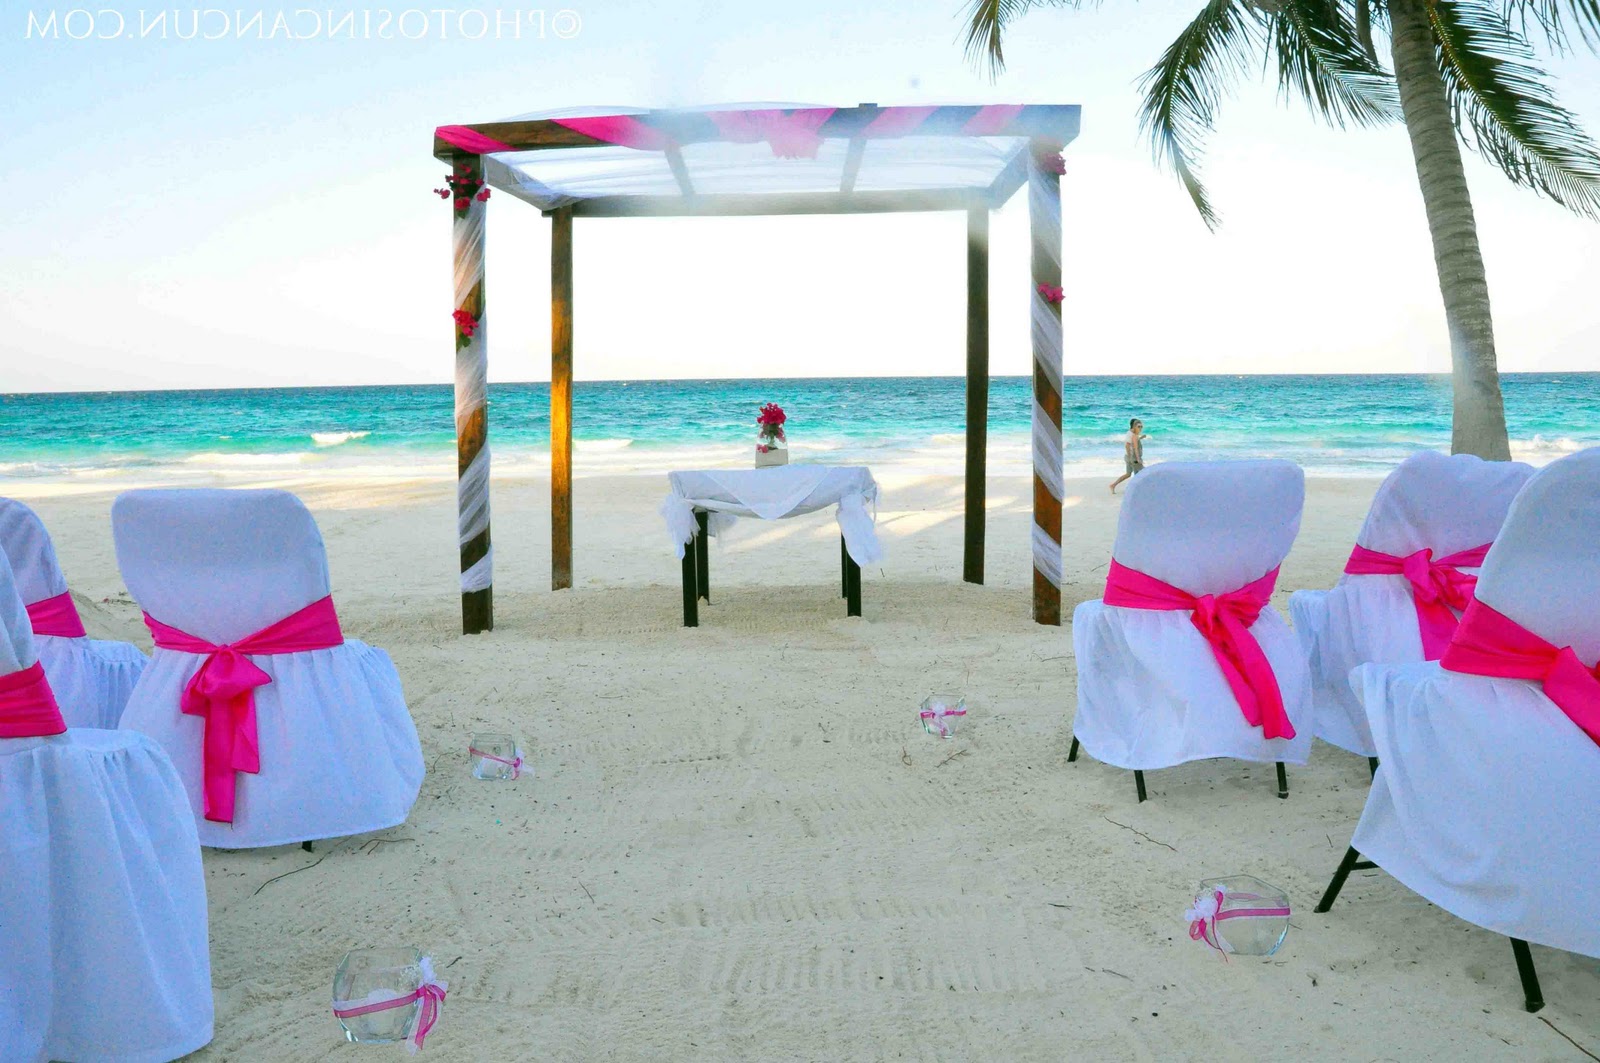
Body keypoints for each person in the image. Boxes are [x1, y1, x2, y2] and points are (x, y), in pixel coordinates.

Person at [1110, 417, 1148, 494]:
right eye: (1138, 426)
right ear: (1133, 426)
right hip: (1133, 458)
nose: (1140, 428)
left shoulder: (1130, 433)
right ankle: (1135, 489)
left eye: (1141, 426)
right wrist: (1137, 459)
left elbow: (1132, 443)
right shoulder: (1133, 435)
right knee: (1143, 472)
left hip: (1128, 457)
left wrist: (1140, 438)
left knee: (1128, 474)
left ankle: (1113, 485)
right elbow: (1133, 447)